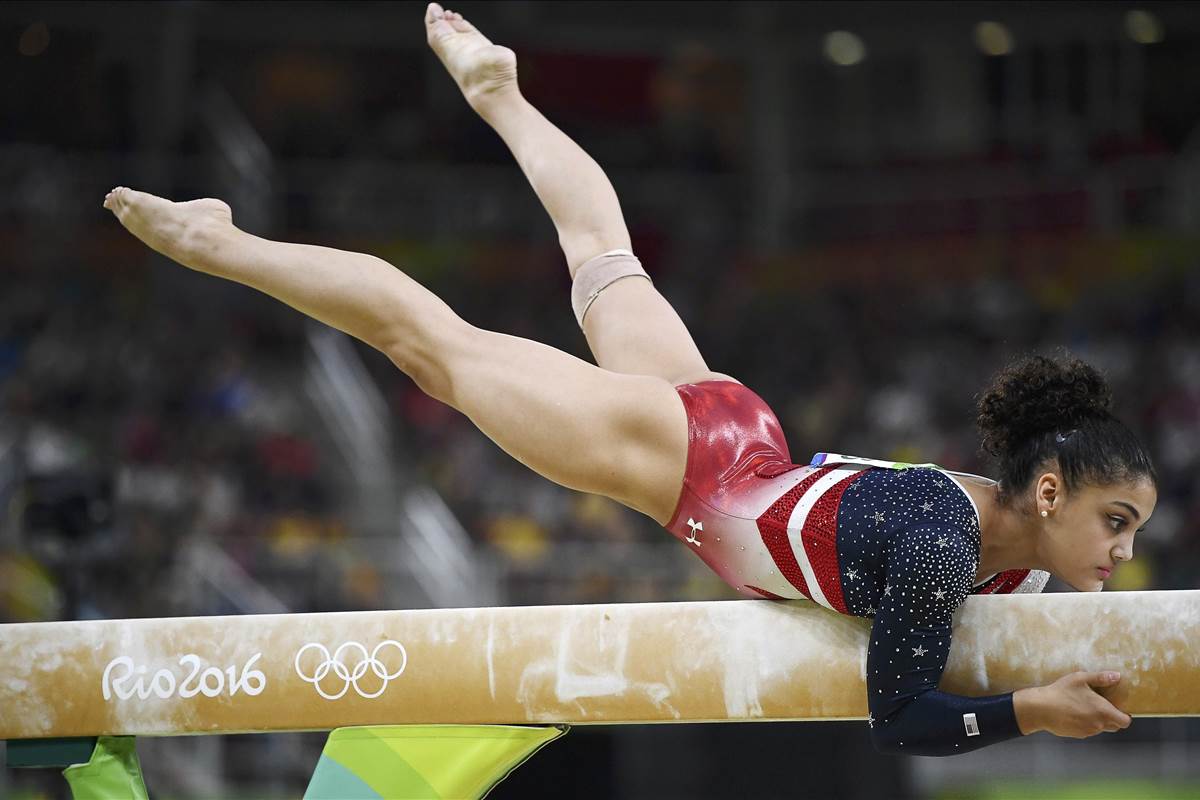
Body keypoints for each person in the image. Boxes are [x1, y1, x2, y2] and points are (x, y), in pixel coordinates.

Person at [102, 3, 1157, 756]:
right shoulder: (946, 544)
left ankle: (505, 97)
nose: (1122, 549)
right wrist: (1033, 708)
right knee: (436, 348)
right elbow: (900, 717)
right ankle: (225, 241)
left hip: (745, 436)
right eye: (1116, 519)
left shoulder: (1004, 557)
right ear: (1049, 491)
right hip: (693, 468)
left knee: (604, 255)